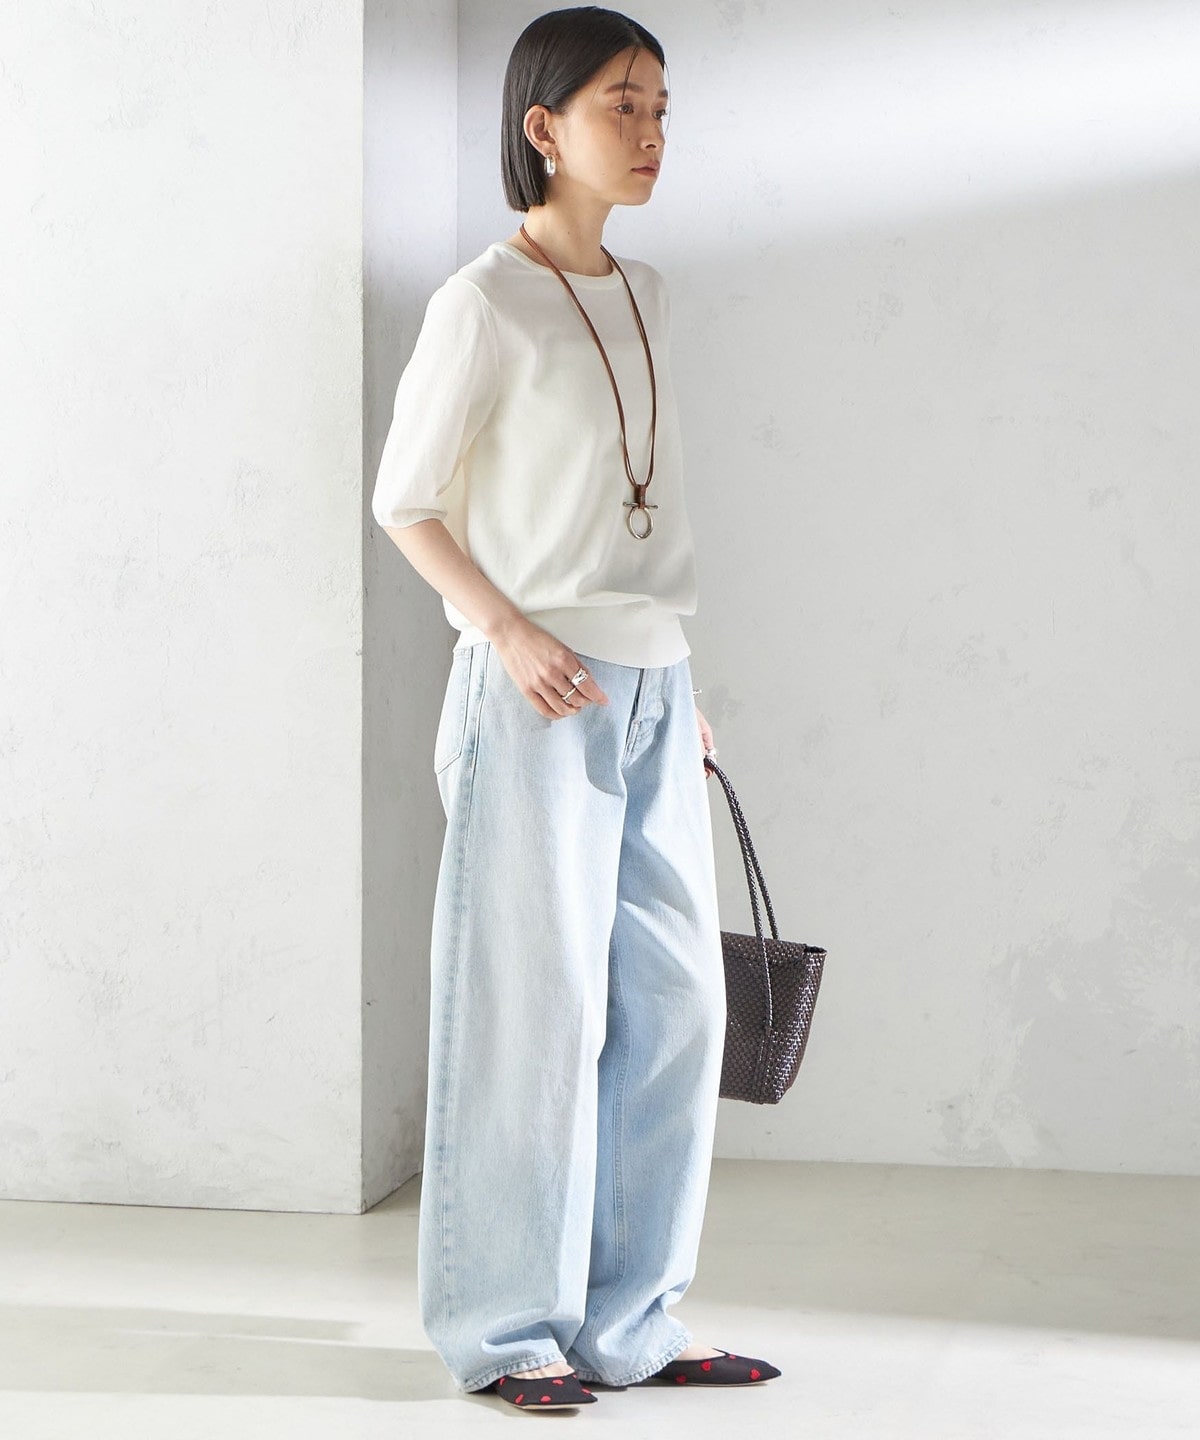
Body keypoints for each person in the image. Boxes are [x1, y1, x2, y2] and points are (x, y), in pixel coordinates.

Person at [371, 6, 781, 1412]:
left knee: (679, 1008)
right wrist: (505, 628)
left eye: (661, 107)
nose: (651, 132)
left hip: (654, 682)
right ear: (543, 127)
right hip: (534, 695)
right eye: (623, 105)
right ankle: (505, 1331)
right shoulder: (481, 301)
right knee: (530, 1015)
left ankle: (632, 1324)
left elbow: (632, 516)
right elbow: (406, 501)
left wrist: (675, 679)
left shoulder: (645, 290)